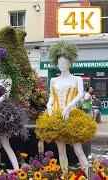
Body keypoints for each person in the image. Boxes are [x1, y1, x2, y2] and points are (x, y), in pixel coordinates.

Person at [35, 42, 97, 175]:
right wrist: (48, 106)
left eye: (63, 62)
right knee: (61, 150)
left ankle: (90, 176)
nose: (61, 64)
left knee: (78, 149)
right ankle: (64, 175)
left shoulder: (77, 79)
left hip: (71, 115)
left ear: (69, 63)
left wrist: (68, 107)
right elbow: (52, 96)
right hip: (57, 117)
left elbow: (80, 94)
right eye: (59, 62)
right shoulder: (53, 80)